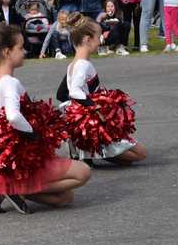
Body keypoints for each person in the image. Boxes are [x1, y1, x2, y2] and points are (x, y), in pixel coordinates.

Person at [0, 24, 91, 214]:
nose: (24, 51)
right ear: (7, 52)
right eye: (20, 47)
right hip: (22, 155)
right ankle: (16, 188)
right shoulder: (9, 82)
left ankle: (14, 190)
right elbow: (13, 116)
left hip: (9, 157)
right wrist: (34, 135)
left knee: (66, 198)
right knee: (83, 172)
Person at [57, 13, 147, 165]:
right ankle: (97, 151)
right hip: (92, 120)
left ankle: (91, 152)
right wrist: (95, 107)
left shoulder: (73, 64)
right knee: (140, 154)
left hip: (86, 116)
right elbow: (74, 91)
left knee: (130, 159)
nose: (101, 40)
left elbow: (61, 93)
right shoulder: (83, 65)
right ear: (87, 39)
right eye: (98, 37)